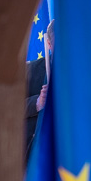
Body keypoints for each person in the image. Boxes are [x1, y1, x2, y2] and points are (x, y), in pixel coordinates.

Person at [25, 20, 54, 160]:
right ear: (49, 44)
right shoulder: (31, 70)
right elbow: (7, 108)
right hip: (35, 155)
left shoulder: (87, 75)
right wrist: (38, 102)